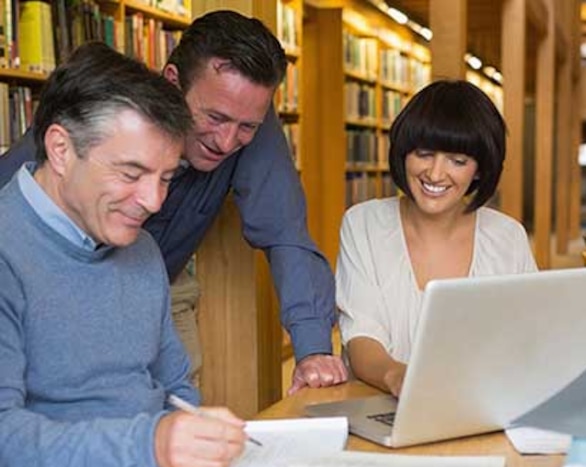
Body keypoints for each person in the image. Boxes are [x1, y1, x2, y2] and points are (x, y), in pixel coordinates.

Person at [0, 10, 347, 394]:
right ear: (172, 82)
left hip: (160, 283)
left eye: (246, 126)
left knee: (175, 399)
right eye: (214, 117)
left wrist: (314, 349)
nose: (227, 142)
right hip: (55, 286)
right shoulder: (101, 112)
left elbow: (285, 231)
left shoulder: (248, 121)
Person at [0, 43, 248, 467]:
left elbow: (175, 388)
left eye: (166, 178)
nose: (153, 201)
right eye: (132, 174)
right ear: (61, 149)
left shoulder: (141, 251)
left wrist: (197, 435)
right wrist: (150, 446)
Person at [336, 80, 538, 396]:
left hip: (478, 407)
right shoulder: (363, 224)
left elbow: (525, 339)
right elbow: (361, 337)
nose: (435, 174)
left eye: (457, 161)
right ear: (404, 154)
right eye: (424, 153)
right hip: (379, 404)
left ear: (480, 170)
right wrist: (398, 377)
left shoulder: (507, 237)